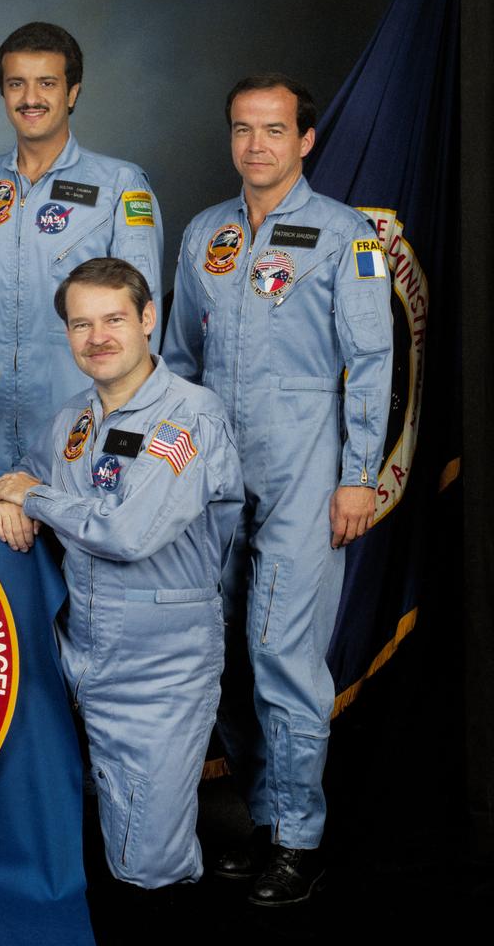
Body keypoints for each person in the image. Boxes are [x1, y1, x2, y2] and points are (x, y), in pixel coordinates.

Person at [163, 73, 392, 905]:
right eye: (242, 129)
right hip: (216, 466)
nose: (256, 145)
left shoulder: (344, 237)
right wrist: (173, 462)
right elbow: (179, 361)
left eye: (274, 129)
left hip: (305, 460)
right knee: (221, 648)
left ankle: (300, 836)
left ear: (306, 140)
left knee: (282, 653)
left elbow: (371, 362)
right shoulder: (204, 235)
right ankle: (261, 819)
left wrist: (358, 475)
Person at [0, 258, 243, 890]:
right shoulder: (76, 418)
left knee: (147, 864)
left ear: (147, 319)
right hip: (76, 658)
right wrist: (5, 495)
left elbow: (130, 532)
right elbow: (25, 469)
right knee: (74, 840)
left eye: (113, 320)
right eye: (81, 324)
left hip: (160, 668)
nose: (97, 337)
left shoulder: (187, 418)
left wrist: (34, 499)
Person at [0, 22, 164, 494]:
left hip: (80, 415)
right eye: (17, 84)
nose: (30, 98)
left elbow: (142, 324)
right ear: (3, 93)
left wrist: (130, 432)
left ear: (72, 93)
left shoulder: (119, 185)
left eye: (47, 84)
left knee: (78, 560)